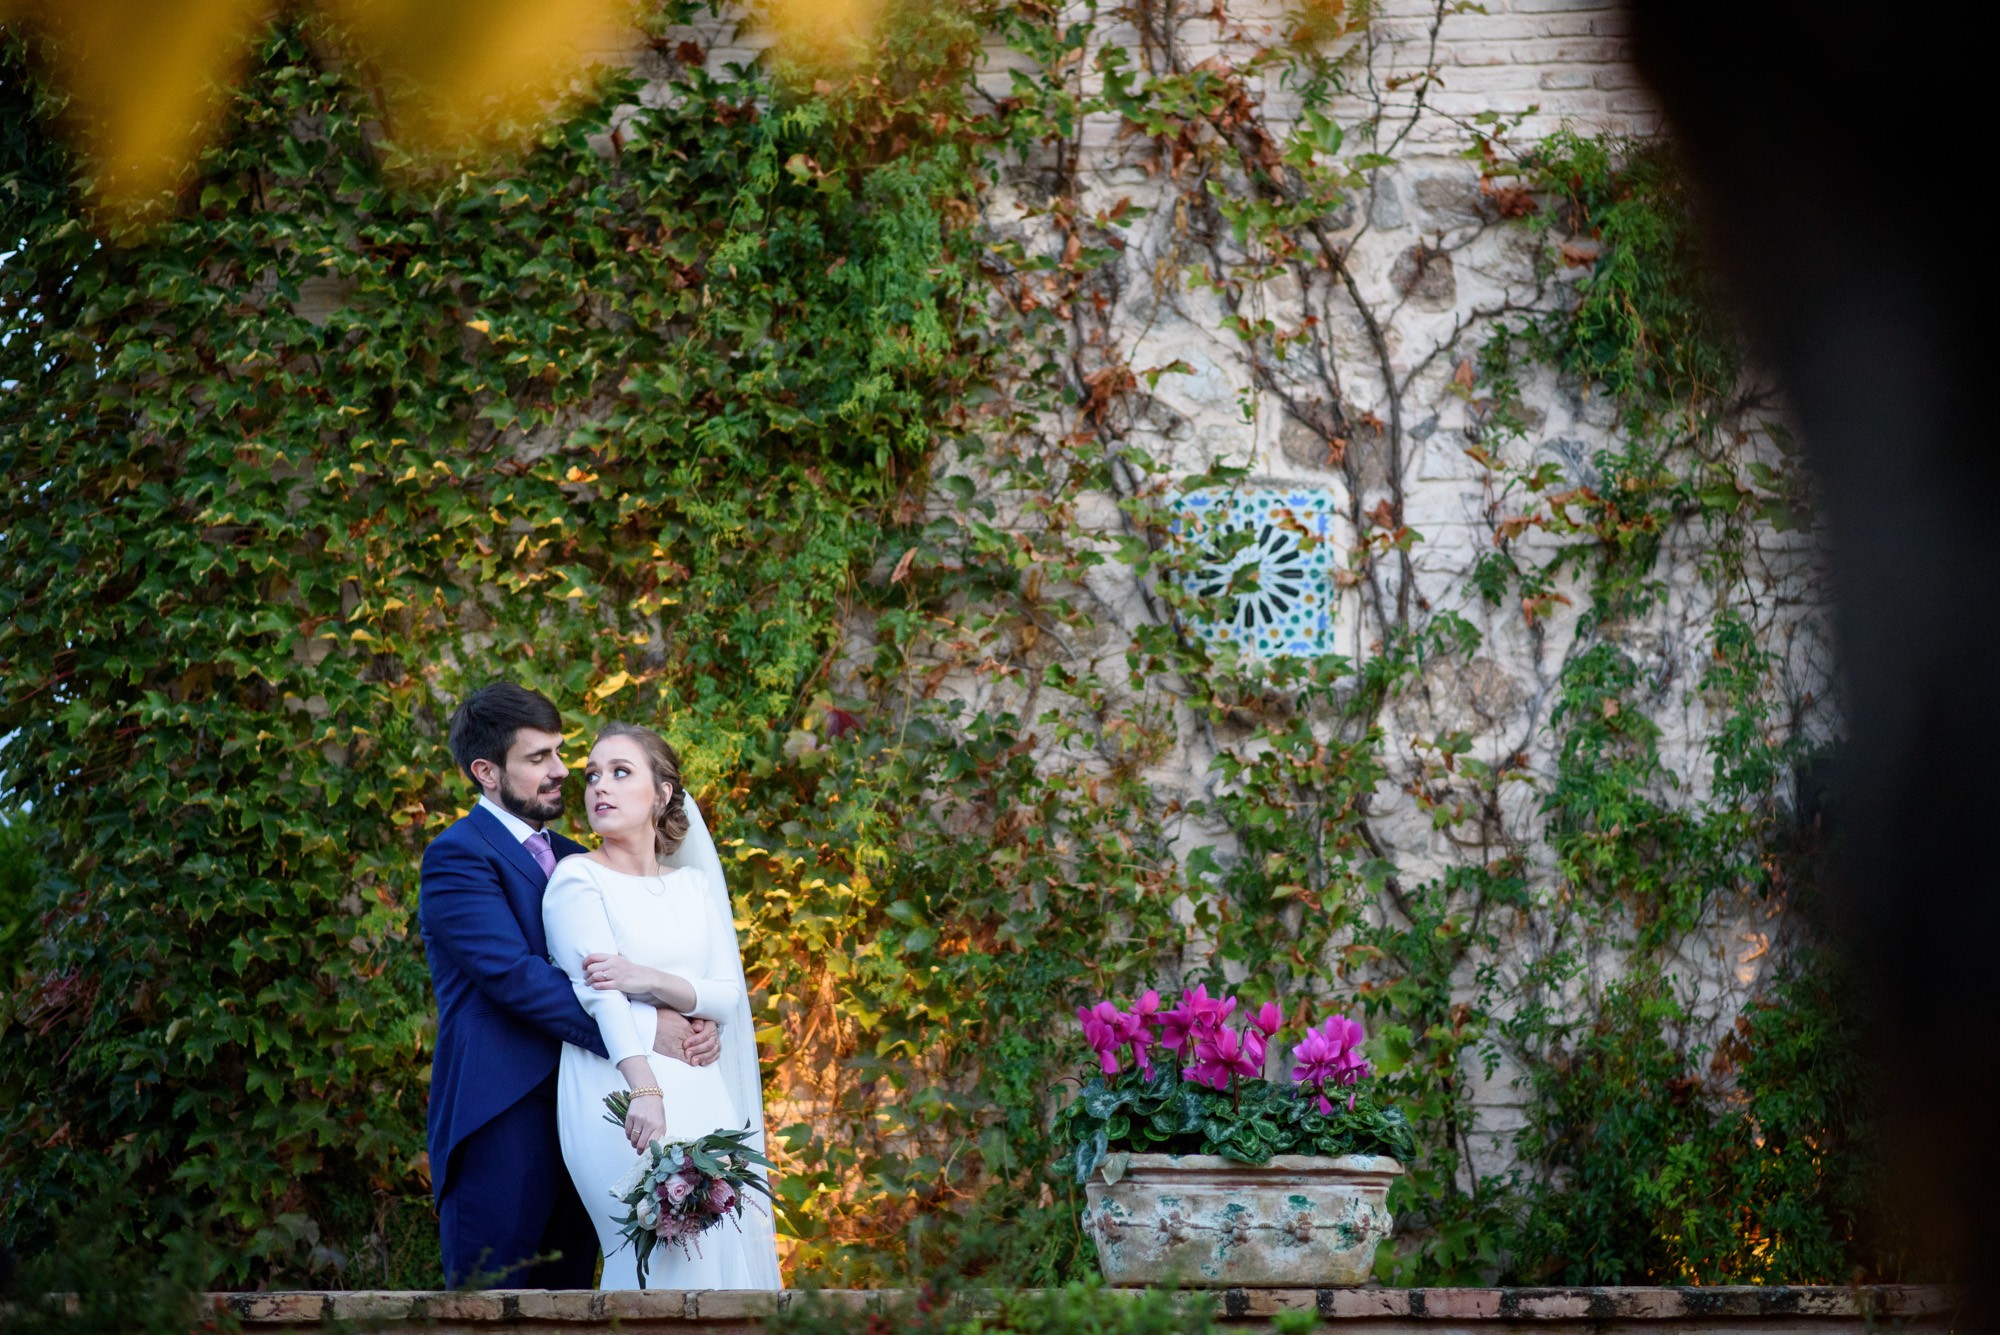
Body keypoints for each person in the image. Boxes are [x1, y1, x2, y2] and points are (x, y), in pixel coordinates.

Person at [419, 684, 722, 1289]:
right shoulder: (456, 857)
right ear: (486, 771)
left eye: (560, 754)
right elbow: (517, 978)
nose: (562, 772)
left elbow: (625, 964)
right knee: (494, 1307)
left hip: (590, 1113)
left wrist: (691, 1013)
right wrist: (647, 1031)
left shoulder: (578, 856)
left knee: (574, 1306)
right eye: (538, 759)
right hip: (503, 1116)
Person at [542, 722, 782, 1290]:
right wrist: (645, 1088)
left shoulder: (695, 887)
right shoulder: (577, 879)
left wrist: (645, 977)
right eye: (593, 775)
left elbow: (726, 995)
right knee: (652, 1249)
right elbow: (602, 995)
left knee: (718, 1253)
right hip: (618, 1087)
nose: (600, 786)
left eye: (621, 773)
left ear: (664, 793)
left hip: (702, 1085)